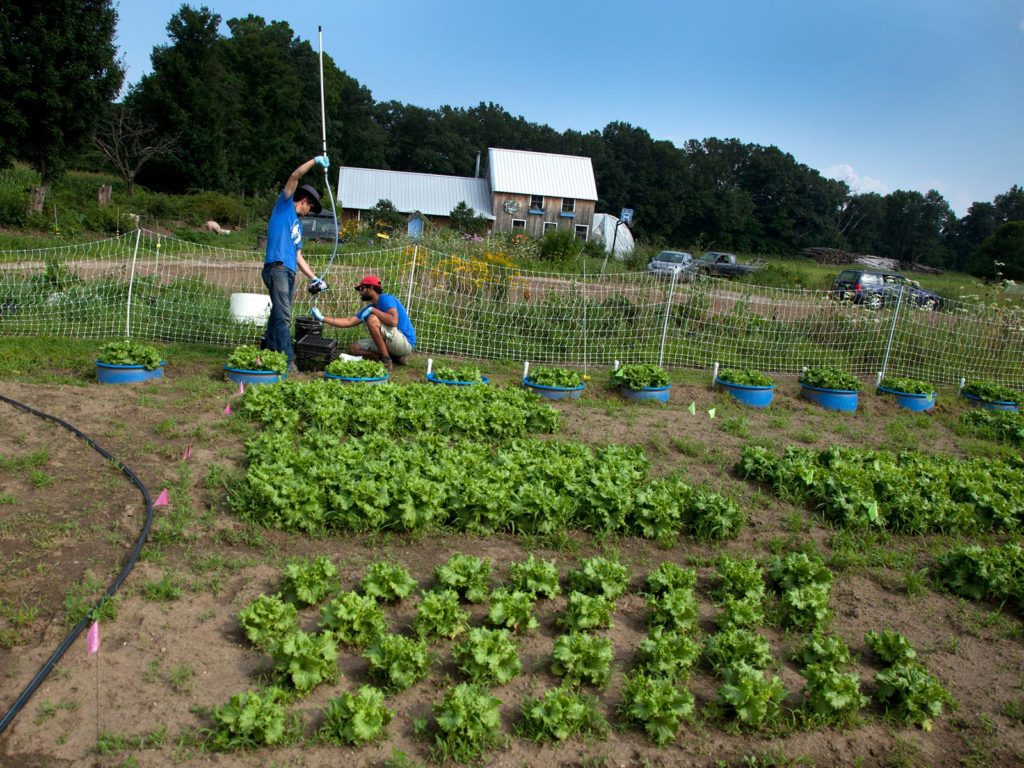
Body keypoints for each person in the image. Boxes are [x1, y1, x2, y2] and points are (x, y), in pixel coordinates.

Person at [262, 155, 330, 371]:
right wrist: (315, 161)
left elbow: (299, 256)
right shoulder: (284, 207)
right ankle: (289, 361)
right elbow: (294, 176)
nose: (310, 212)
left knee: (278, 315)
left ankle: (266, 351)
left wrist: (314, 277)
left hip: (289, 271)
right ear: (304, 201)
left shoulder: (297, 227)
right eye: (310, 207)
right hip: (277, 267)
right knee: (284, 316)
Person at [310, 275, 415, 370]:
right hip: (390, 341)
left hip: (404, 342)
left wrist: (373, 311)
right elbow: (348, 322)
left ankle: (386, 361)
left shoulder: (386, 299)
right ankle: (391, 357)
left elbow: (393, 321)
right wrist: (322, 318)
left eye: (361, 288)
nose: (359, 291)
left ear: (371, 288)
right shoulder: (371, 307)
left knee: (372, 319)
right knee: (354, 348)